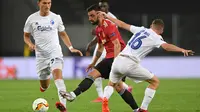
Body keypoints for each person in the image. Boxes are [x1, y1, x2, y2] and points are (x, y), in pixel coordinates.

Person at [98, 11, 195, 112]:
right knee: (155, 82)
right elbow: (166, 47)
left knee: (111, 84)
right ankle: (143, 109)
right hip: (129, 63)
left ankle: (105, 104)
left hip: (118, 60)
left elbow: (122, 24)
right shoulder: (156, 37)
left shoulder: (141, 29)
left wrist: (108, 16)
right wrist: (182, 50)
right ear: (161, 30)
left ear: (151, 25)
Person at [60, 4, 139, 112]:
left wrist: (116, 62)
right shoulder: (98, 29)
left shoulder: (109, 25)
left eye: (92, 16)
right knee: (115, 86)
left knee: (117, 86)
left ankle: (75, 95)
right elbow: (100, 47)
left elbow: (117, 44)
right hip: (110, 58)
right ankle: (73, 95)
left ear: (99, 14)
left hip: (119, 57)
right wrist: (93, 62)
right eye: (89, 16)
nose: (90, 19)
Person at [23, 0, 83, 112]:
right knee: (44, 86)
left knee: (58, 78)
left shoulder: (56, 17)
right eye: (44, 3)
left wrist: (71, 48)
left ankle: (63, 107)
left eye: (49, 3)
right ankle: (44, 86)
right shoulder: (32, 19)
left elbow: (63, 34)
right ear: (39, 3)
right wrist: (30, 44)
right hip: (41, 56)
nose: (47, 5)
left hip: (55, 52)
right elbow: (26, 36)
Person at [85, 0, 132, 102]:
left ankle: (104, 96)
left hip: (110, 47)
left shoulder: (109, 17)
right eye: (101, 6)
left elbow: (110, 33)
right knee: (100, 68)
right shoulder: (98, 16)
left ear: (107, 7)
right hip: (103, 45)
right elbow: (99, 35)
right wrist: (91, 43)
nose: (103, 8)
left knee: (101, 69)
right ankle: (123, 87)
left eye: (104, 6)